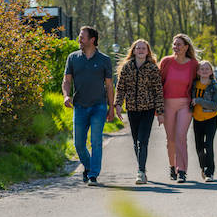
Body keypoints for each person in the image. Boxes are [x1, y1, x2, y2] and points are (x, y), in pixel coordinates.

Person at [62, 26, 114, 186]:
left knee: (96, 141)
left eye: (82, 37)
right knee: (78, 143)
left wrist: (111, 107)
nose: (79, 39)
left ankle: (93, 175)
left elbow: (109, 86)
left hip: (98, 106)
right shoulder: (73, 58)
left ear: (92, 40)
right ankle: (89, 167)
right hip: (79, 106)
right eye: (79, 36)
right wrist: (66, 95)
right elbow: (66, 80)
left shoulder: (104, 60)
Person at [114, 39, 165, 184]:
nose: (141, 50)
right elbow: (120, 87)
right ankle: (141, 168)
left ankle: (140, 172)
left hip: (148, 109)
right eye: (138, 48)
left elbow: (158, 91)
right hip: (132, 109)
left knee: (142, 140)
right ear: (134, 50)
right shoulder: (127, 67)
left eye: (144, 48)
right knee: (135, 141)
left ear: (148, 51)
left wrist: (160, 112)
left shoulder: (152, 68)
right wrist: (117, 104)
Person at [159, 34, 199, 183]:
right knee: (171, 140)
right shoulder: (166, 62)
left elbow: (199, 83)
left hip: (185, 104)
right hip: (167, 103)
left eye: (179, 44)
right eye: (174, 44)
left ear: (186, 47)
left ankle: (181, 171)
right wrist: (159, 111)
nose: (176, 47)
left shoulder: (194, 64)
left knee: (181, 137)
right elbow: (158, 86)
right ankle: (172, 166)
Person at [191, 60, 217, 182]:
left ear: (211, 72)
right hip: (197, 120)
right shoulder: (194, 84)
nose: (204, 71)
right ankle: (203, 167)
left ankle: (210, 172)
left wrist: (198, 100)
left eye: (207, 69)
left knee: (208, 145)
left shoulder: (214, 85)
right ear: (198, 72)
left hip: (210, 119)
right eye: (202, 69)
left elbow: (214, 105)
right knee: (199, 147)